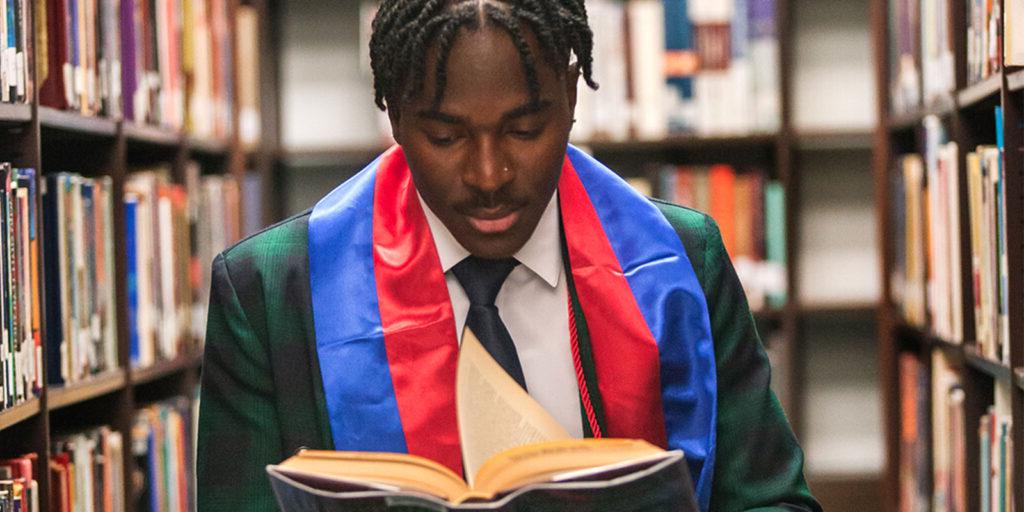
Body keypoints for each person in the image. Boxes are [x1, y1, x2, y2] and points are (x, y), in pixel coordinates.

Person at [196, 1, 821, 511]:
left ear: (573, 96)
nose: (489, 174)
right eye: (445, 136)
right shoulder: (273, 293)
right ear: (393, 113)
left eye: (525, 130)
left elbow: (772, 501)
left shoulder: (680, 264)